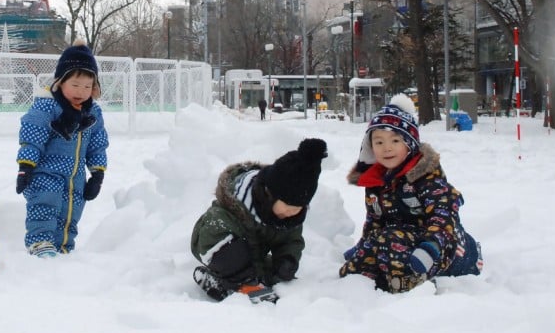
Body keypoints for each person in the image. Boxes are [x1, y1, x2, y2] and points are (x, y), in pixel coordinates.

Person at [339, 93, 482, 293]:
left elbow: (443, 216)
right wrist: (364, 248)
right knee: (358, 264)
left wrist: (431, 247)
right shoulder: (376, 181)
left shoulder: (425, 177)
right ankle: (362, 285)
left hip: (444, 246)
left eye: (395, 141)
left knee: (390, 240)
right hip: (399, 240)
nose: (386, 148)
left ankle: (411, 285)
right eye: (379, 142)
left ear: (409, 143)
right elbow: (375, 220)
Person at [190, 138, 328, 304]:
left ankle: (250, 281)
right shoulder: (235, 206)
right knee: (231, 256)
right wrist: (247, 273)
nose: (290, 213)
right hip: (216, 245)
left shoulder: (288, 217)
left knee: (274, 270)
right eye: (287, 206)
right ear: (270, 194)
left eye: (297, 208)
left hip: (254, 256)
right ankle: (234, 283)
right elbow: (210, 234)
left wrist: (287, 260)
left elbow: (291, 239)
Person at [15, 41, 109, 257]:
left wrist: (97, 174)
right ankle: (40, 242)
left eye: (87, 87)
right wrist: (25, 166)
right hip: (45, 173)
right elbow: (32, 136)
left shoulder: (92, 112)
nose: (81, 92)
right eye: (75, 85)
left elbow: (98, 144)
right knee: (45, 204)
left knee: (72, 210)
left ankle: (64, 246)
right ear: (60, 82)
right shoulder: (47, 106)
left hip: (75, 176)